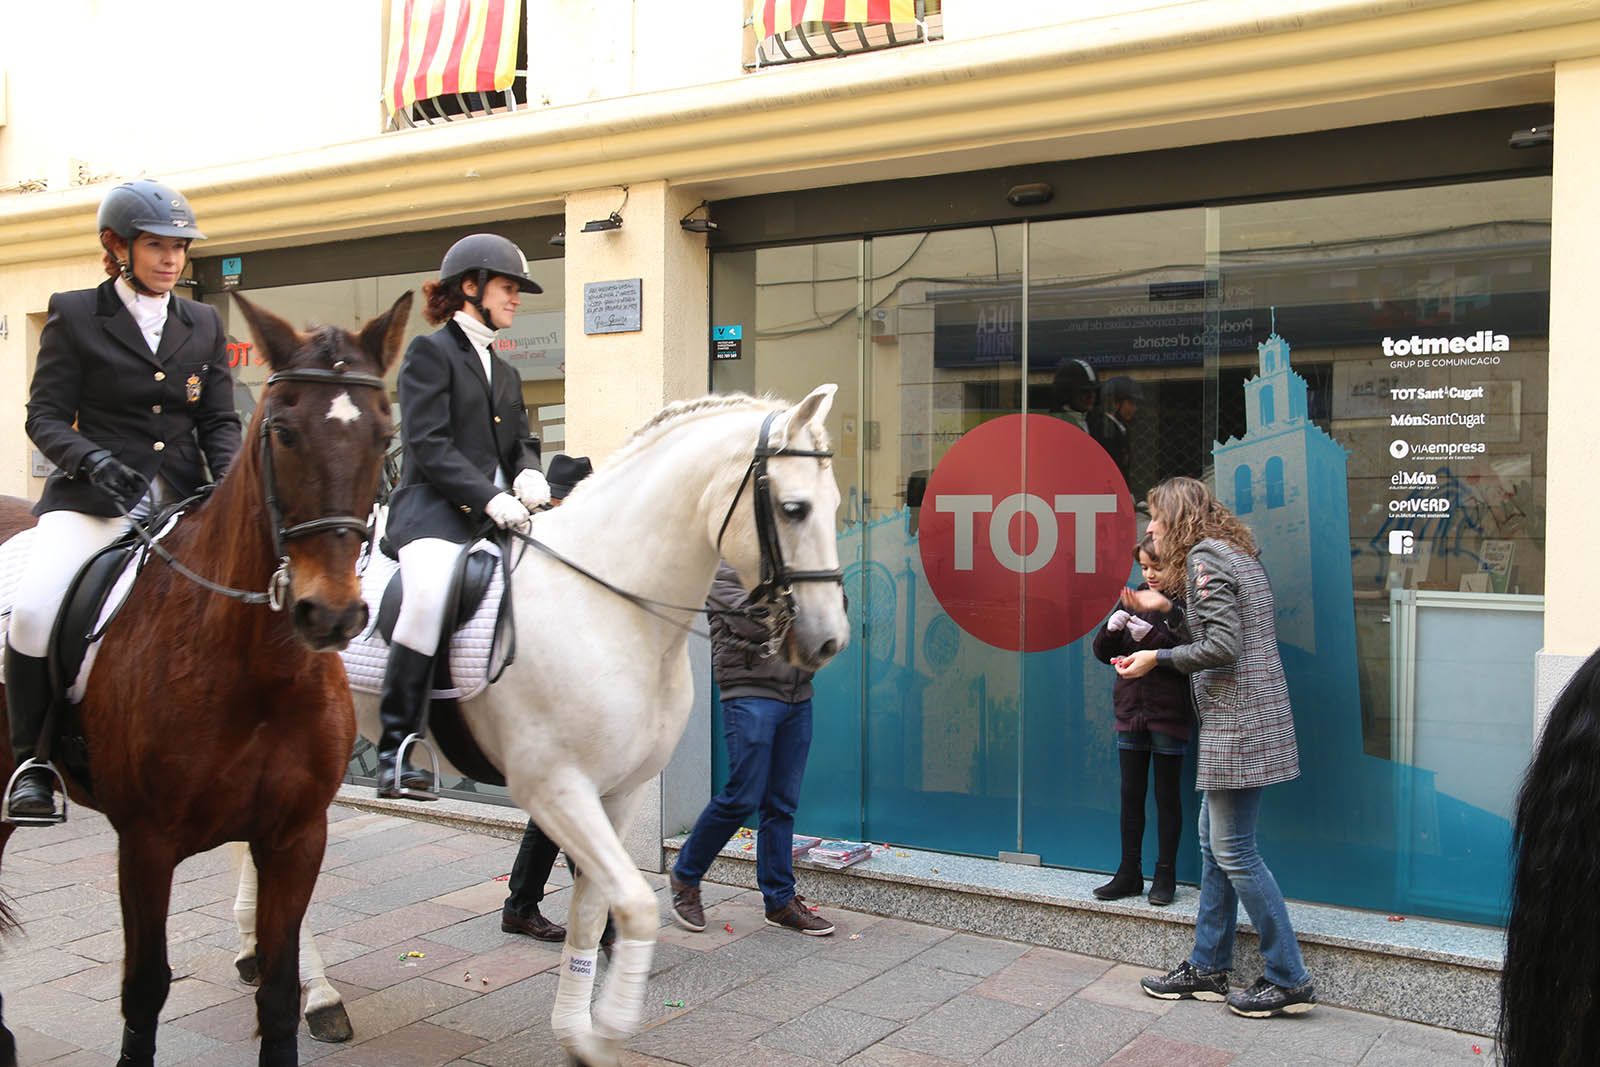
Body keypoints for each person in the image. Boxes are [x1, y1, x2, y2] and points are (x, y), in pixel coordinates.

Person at [6, 180, 241, 825]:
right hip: (93, 500)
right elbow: (45, 416)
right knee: (30, 612)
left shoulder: (203, 322)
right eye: (157, 246)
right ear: (118, 246)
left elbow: (220, 421)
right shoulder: (77, 312)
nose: (171, 260)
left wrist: (224, 485)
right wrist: (92, 460)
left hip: (185, 500)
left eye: (179, 248)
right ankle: (33, 762)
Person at [1116, 475, 1315, 1018]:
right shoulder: (1233, 552)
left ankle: (1289, 977)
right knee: (1215, 843)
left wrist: (1155, 657)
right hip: (1250, 715)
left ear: (1177, 517)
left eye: (1155, 517)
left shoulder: (1205, 559)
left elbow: (1223, 647)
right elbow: (1221, 631)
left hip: (1239, 721)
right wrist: (1168, 609)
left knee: (1234, 851)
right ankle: (1208, 966)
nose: (1150, 527)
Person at [379, 234, 550, 800]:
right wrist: (488, 496)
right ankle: (397, 746)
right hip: (433, 513)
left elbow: (520, 439)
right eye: (508, 287)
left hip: (498, 515)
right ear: (471, 288)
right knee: (428, 593)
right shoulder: (431, 353)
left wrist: (528, 471)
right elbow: (428, 444)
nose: (516, 299)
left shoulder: (504, 371)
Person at [669, 562, 834, 936]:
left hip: (798, 694)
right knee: (742, 796)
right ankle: (686, 875)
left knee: (782, 803)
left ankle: (779, 900)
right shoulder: (728, 566)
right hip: (751, 693)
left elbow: (833, 608)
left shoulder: (799, 560)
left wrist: (810, 597)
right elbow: (758, 622)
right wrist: (804, 602)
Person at [500, 455, 612, 949]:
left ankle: (520, 904)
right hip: (545, 694)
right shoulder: (536, 543)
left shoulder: (580, 544)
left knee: (556, 804)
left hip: (574, 692)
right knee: (571, 801)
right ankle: (606, 926)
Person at [1090, 532, 1190, 906]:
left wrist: (1154, 638)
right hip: (1130, 712)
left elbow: (1190, 653)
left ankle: (1166, 876)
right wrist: (1113, 627)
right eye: (1144, 567)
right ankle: (1128, 872)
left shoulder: (1181, 603)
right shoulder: (1132, 596)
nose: (1149, 574)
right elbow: (1103, 652)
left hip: (1168, 713)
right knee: (1131, 795)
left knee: (1167, 797)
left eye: (1156, 566)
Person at [1095, 375, 1143, 485]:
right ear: (1114, 403)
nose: (1135, 409)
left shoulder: (1120, 428)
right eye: (1131, 403)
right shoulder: (1104, 430)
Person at [1050, 358, 1100, 432]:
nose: (1092, 395)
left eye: (1094, 390)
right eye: (1085, 391)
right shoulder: (1056, 427)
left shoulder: (1098, 424)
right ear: (1067, 394)